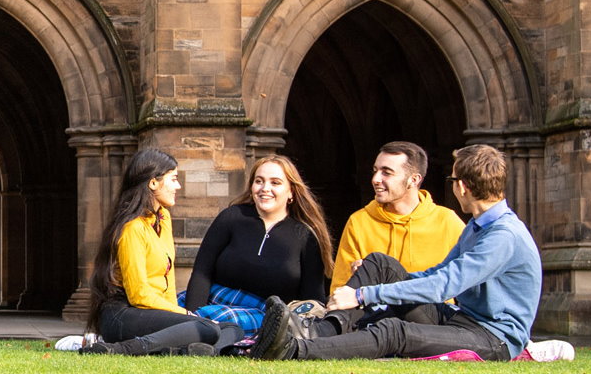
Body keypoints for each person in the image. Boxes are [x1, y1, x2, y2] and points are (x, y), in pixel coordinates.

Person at [252, 144, 542, 361]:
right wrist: (376, 284)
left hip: (492, 338)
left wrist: (366, 294)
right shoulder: (478, 225)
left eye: (452, 180)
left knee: (394, 330)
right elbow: (437, 273)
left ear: (463, 187)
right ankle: (316, 331)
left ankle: (295, 350)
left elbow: (444, 285)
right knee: (380, 263)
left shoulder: (503, 236)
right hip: (459, 319)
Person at [80, 149, 242, 356]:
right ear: (153, 183)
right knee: (206, 327)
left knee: (232, 328)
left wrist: (181, 316)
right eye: (173, 179)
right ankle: (123, 349)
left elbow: (168, 278)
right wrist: (186, 314)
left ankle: (187, 351)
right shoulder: (132, 228)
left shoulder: (163, 218)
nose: (178, 186)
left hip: (153, 312)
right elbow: (139, 295)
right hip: (123, 314)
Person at [181, 155, 333, 336]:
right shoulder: (232, 217)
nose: (265, 189)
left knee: (228, 326)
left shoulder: (305, 236)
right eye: (259, 181)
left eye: (275, 183)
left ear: (291, 192)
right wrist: (192, 315)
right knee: (163, 313)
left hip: (265, 315)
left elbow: (312, 298)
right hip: (211, 302)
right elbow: (202, 272)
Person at [331, 141, 465, 291]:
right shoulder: (359, 222)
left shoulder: (447, 222)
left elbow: (471, 283)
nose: (375, 179)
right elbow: (340, 289)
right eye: (375, 171)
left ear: (414, 179)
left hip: (433, 312)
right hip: (376, 313)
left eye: (386, 172)